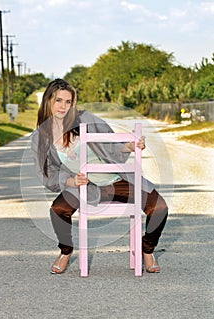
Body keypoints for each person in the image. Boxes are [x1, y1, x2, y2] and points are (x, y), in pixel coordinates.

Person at [31, 78, 168, 275]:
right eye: (58, 100)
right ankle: (65, 251)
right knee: (58, 210)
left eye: (68, 102)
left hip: (115, 180)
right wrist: (71, 181)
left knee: (160, 207)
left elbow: (110, 144)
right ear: (48, 101)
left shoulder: (86, 118)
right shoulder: (40, 137)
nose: (63, 106)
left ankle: (147, 250)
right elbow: (47, 174)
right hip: (84, 186)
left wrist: (130, 145)